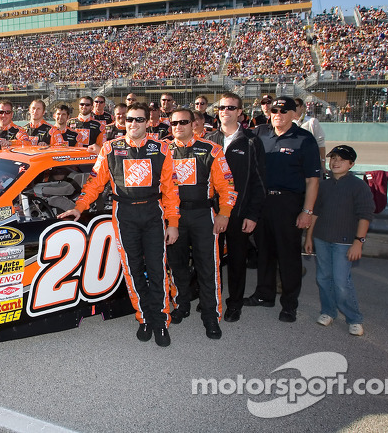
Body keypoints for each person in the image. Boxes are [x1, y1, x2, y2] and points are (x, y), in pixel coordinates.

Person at [59, 103, 180, 347]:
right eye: (129, 119)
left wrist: (173, 222)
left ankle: (161, 321)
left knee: (157, 270)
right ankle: (144, 317)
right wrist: (79, 207)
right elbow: (94, 184)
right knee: (133, 270)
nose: (133, 124)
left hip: (153, 214)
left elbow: (170, 190)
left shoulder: (162, 149)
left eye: (138, 119)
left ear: (148, 122)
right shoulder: (110, 148)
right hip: (124, 213)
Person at [245, 97, 320, 323]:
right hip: (262, 201)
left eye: (283, 110)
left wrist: (307, 212)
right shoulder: (260, 134)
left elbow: (313, 180)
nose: (277, 113)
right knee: (264, 252)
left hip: (288, 203)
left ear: (294, 113)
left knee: (288, 256)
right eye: (274, 110)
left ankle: (289, 303)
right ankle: (264, 294)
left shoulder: (304, 139)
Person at [166, 108, 236, 340]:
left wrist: (224, 213)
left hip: (203, 216)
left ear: (194, 123)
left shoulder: (211, 150)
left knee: (208, 268)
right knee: (176, 265)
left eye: (183, 122)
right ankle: (182, 304)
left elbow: (227, 187)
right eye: (174, 123)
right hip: (173, 217)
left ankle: (210, 316)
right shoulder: (163, 151)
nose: (178, 126)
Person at [204, 93, 266, 322]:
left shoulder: (251, 141)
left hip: (239, 212)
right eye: (222, 107)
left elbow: (259, 181)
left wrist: (253, 214)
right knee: (210, 259)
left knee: (237, 261)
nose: (225, 111)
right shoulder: (209, 140)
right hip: (211, 212)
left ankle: (235, 303)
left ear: (240, 111)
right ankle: (212, 299)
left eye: (231, 107)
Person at [304, 145, 374, 337]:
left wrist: (358, 242)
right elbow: (315, 213)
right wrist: (309, 237)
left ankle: (354, 318)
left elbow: (365, 216)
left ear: (351, 164)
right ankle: (328, 311)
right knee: (323, 278)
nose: (335, 162)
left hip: (344, 242)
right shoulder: (323, 185)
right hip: (322, 239)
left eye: (341, 159)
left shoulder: (358, 187)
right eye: (333, 158)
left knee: (342, 281)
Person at [294, 98, 326, 169]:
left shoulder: (312, 122)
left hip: (310, 163)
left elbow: (320, 143)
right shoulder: (286, 122)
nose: (293, 108)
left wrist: (323, 163)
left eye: (295, 105)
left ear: (302, 107)